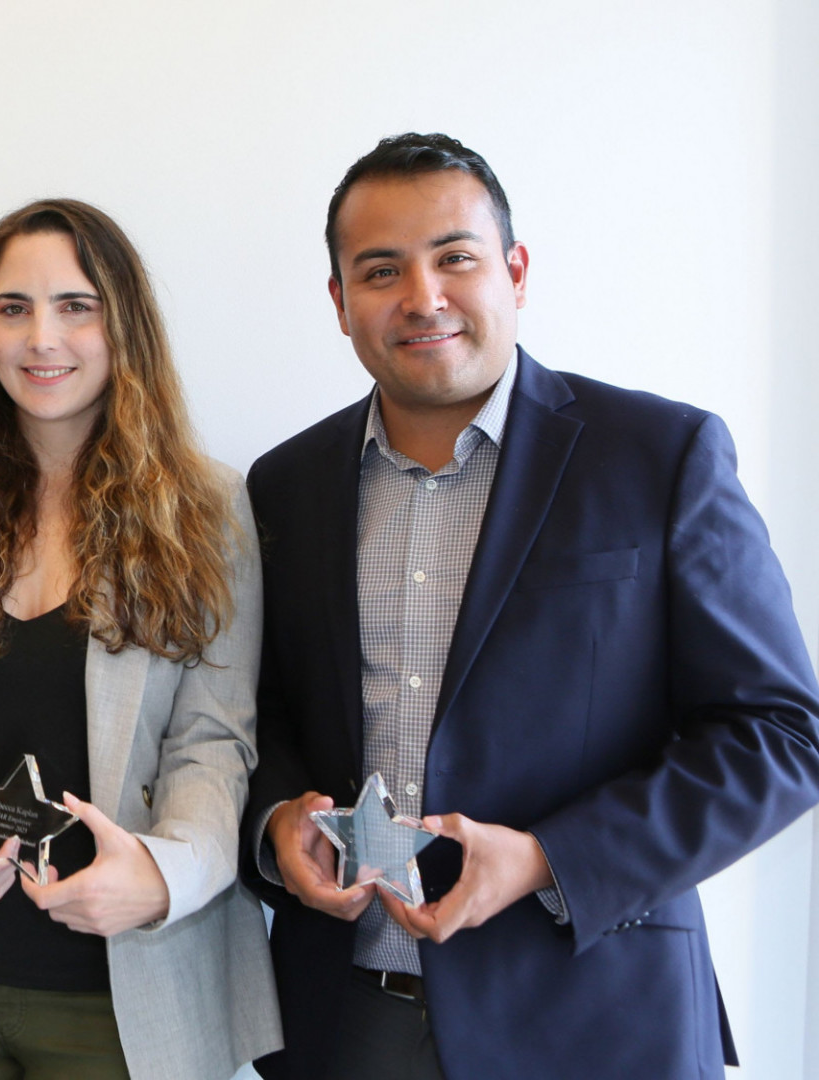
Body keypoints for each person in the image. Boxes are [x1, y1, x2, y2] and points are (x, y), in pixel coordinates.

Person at [240, 132, 819, 1079]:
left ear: (514, 271)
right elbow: (258, 715)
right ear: (340, 303)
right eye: (381, 271)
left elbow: (780, 734)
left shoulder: (660, 456)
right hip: (346, 1022)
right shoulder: (285, 484)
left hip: (593, 1020)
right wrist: (275, 823)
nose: (423, 296)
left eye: (455, 258)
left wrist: (550, 858)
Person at [0, 198, 281, 1080]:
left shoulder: (206, 507)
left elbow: (214, 739)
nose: (42, 338)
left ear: (124, 326)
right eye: (14, 308)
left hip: (132, 998)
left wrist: (163, 874)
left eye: (76, 306)